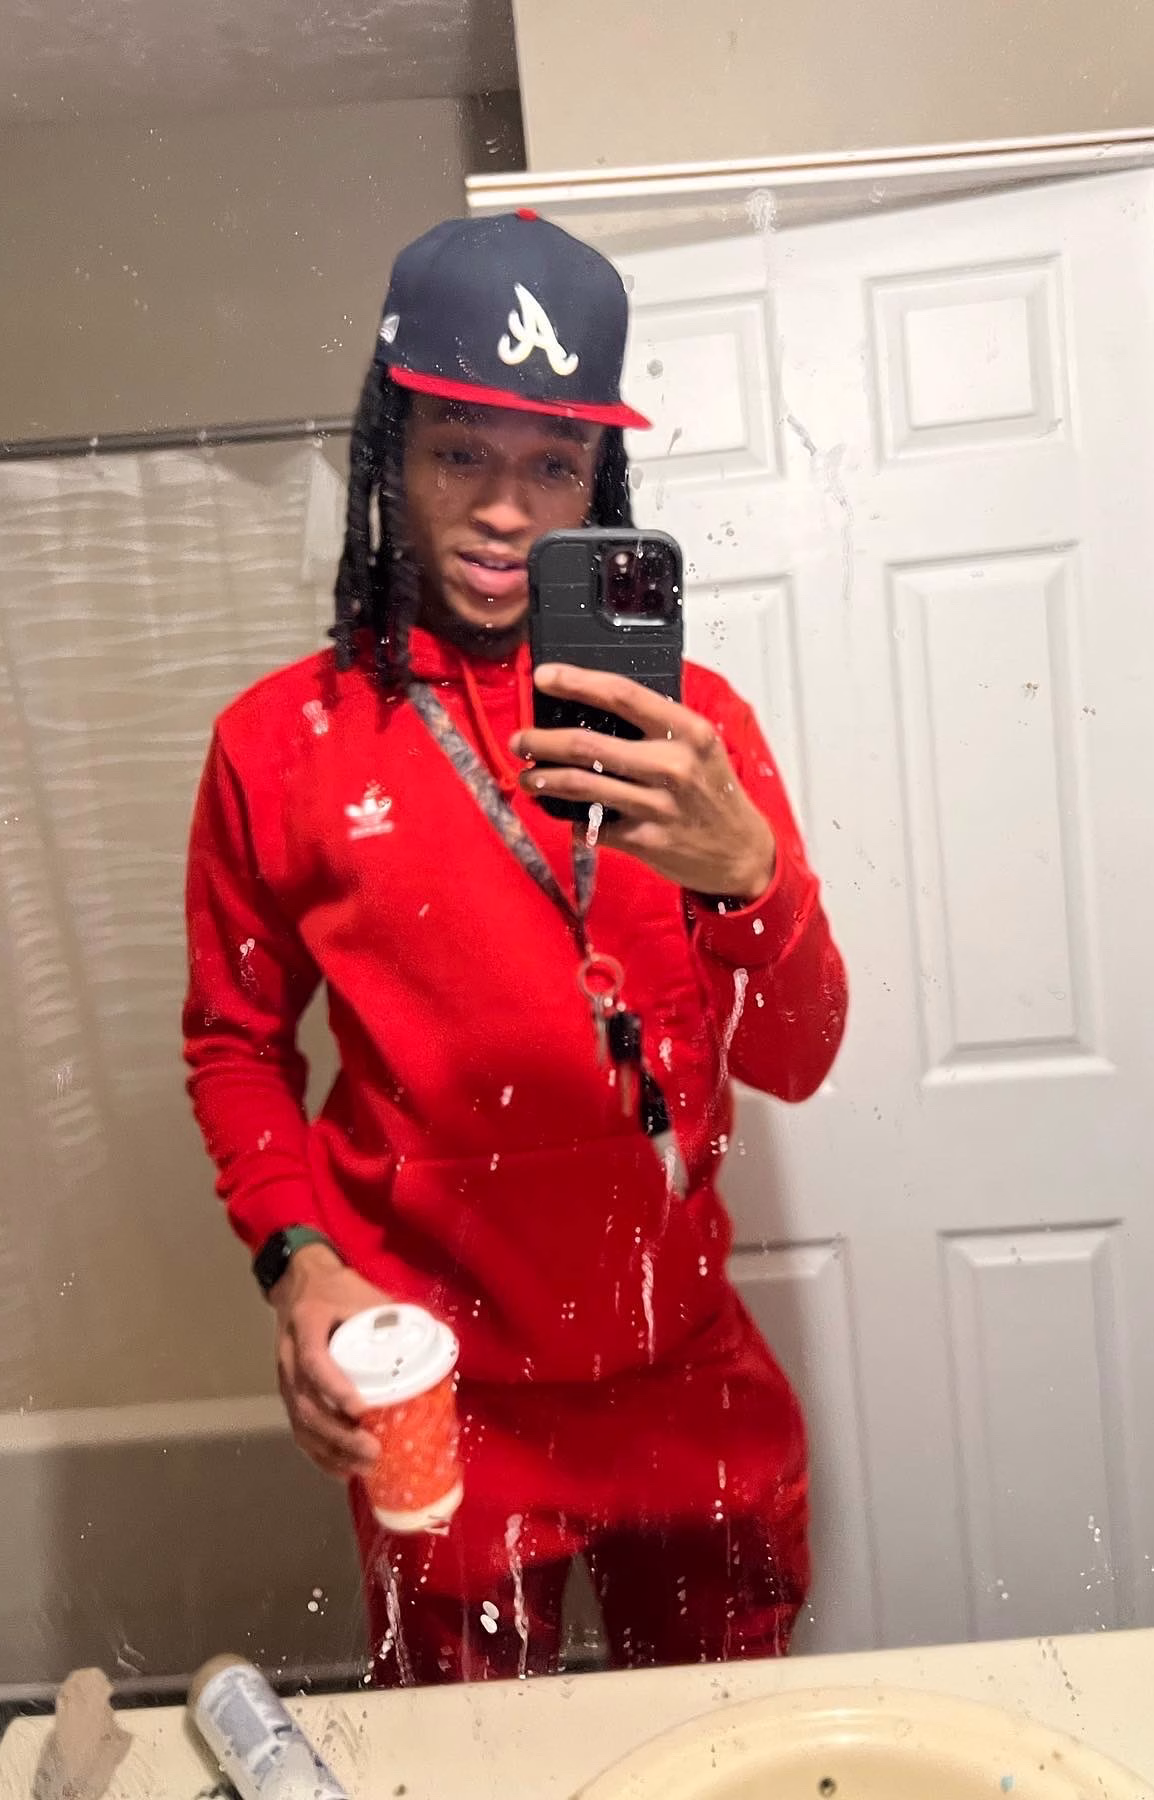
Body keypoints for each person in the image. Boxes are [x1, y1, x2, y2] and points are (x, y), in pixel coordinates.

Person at [182, 210, 848, 1685]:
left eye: (553, 465)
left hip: (681, 1371)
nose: (503, 510)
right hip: (444, 1393)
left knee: (722, 1749)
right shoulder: (276, 745)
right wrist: (298, 1267)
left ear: (601, 481)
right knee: (467, 1761)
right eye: (460, 454)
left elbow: (801, 1058)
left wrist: (749, 882)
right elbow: (233, 1044)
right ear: (390, 455)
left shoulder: (693, 736)